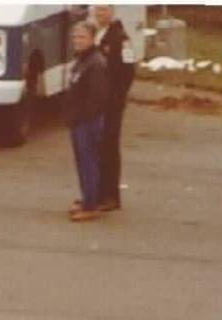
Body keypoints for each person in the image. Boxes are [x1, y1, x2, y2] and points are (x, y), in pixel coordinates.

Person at [65, 20, 108, 223]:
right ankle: (87, 198)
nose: (77, 40)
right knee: (82, 163)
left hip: (87, 122)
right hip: (78, 120)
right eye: (75, 37)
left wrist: (83, 117)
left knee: (88, 162)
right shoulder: (82, 60)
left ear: (92, 38)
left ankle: (91, 206)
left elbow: (97, 97)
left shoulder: (95, 63)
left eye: (82, 37)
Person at [93, 5, 135, 212]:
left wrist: (116, 100)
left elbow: (128, 72)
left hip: (111, 104)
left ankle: (111, 196)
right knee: (98, 148)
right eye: (97, 9)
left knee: (109, 148)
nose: (99, 13)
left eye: (104, 10)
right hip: (97, 103)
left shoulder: (121, 38)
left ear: (112, 11)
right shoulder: (97, 34)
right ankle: (97, 193)